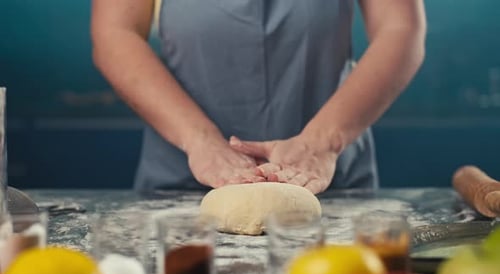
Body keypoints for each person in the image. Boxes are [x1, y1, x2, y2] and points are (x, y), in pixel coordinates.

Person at [90, 0, 426, 195]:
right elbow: (115, 33)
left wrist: (321, 143)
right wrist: (201, 141)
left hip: (326, 178)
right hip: (183, 177)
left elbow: (401, 29)